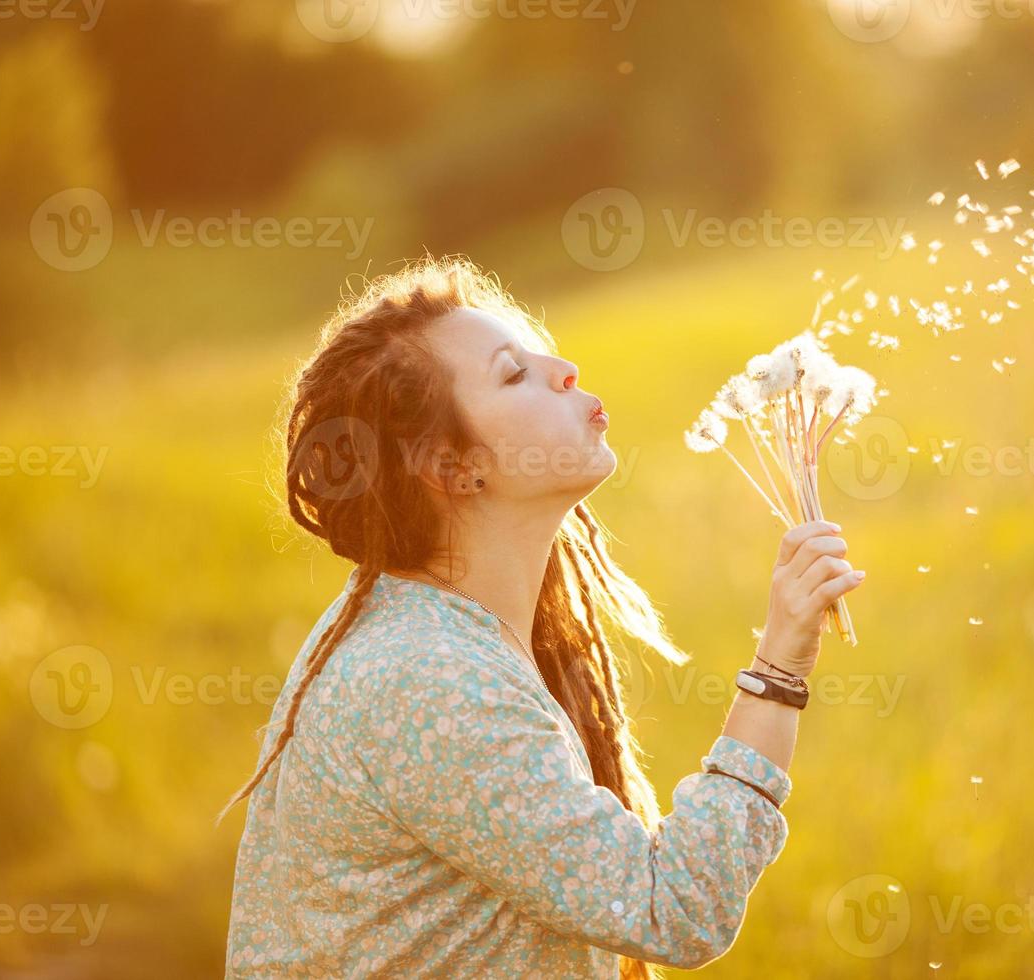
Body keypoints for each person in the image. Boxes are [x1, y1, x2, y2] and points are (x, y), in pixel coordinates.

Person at [220, 254, 865, 978]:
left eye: (536, 353)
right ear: (452, 468)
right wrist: (779, 666)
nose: (563, 368)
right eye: (512, 373)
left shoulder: (441, 622)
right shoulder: (430, 680)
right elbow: (673, 907)